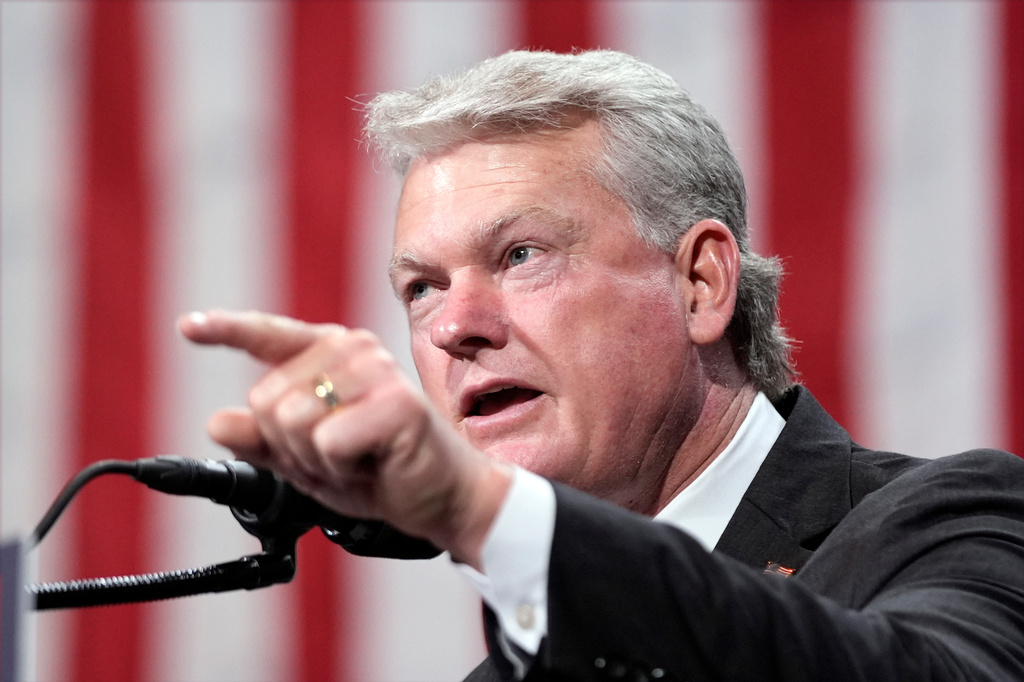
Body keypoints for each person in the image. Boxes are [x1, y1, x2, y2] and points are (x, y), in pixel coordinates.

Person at [179, 50, 1024, 680]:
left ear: (700, 283)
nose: (454, 330)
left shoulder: (952, 524)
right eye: (422, 288)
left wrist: (483, 513)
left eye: (520, 255)